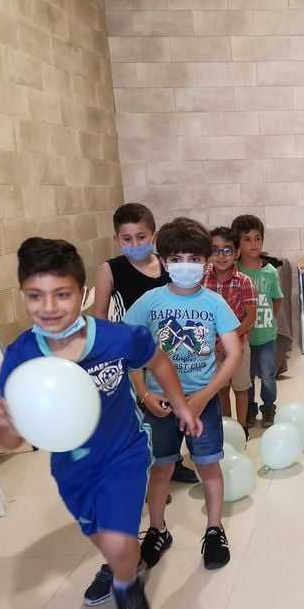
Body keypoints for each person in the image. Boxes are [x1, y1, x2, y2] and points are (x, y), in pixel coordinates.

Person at [0, 237, 202, 609]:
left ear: (83, 293)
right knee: (103, 537)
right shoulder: (21, 356)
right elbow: (11, 436)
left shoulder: (114, 338)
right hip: (71, 467)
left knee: (120, 541)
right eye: (35, 296)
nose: (49, 307)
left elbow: (158, 360)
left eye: (62, 294)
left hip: (124, 453)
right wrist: (7, 427)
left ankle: (127, 584)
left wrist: (182, 406)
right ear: (23, 295)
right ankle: (121, 564)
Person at [123, 218, 243, 571]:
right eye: (176, 258)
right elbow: (131, 349)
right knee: (160, 469)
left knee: (208, 466)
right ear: (163, 261)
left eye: (193, 258)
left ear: (206, 262)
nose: (185, 265)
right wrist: (144, 394)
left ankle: (214, 529)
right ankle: (157, 530)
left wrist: (206, 395)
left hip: (200, 402)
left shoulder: (214, 303)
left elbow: (233, 353)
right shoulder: (149, 302)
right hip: (158, 404)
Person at [93, 202, 199, 485]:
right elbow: (99, 317)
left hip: (173, 350)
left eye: (141, 237)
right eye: (127, 239)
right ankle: (148, 475)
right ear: (117, 239)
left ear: (153, 235)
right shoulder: (110, 269)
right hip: (134, 357)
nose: (134, 244)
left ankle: (172, 462)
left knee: (172, 408)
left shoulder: (168, 265)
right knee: (143, 417)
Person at [231, 214, 283, 428]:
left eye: (257, 238)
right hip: (243, 337)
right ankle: (250, 409)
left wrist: (269, 319)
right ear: (238, 243)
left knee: (268, 374)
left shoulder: (270, 272)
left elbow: (277, 300)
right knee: (247, 376)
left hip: (266, 335)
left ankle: (268, 407)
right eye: (247, 239)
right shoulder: (235, 270)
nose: (254, 244)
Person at [204, 226, 257, 431]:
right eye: (215, 250)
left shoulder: (244, 282)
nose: (221, 256)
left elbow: (250, 316)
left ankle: (241, 427)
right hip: (211, 346)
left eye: (227, 250)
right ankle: (228, 427)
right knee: (221, 388)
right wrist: (216, 342)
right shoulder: (202, 280)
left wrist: (230, 340)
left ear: (236, 253)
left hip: (239, 344)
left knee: (240, 387)